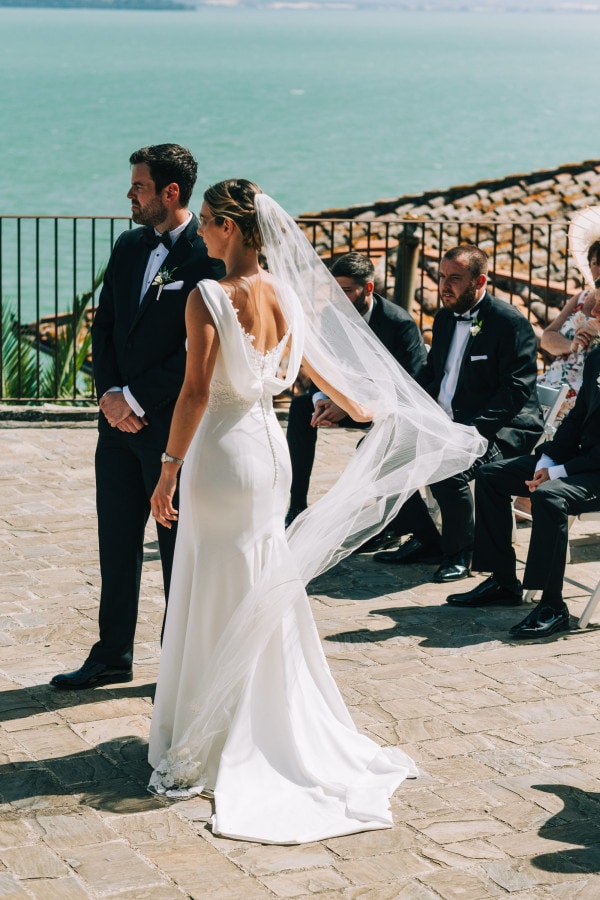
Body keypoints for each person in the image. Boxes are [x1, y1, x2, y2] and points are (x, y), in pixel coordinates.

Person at [146, 179, 486, 843]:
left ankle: (213, 734)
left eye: (211, 221)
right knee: (257, 580)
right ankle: (267, 718)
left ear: (233, 228)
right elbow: (341, 391)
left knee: (215, 581)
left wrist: (168, 470)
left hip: (220, 452)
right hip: (270, 453)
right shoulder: (290, 299)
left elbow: (193, 392)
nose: (204, 232)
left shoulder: (210, 296)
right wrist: (383, 411)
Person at [50, 144, 224, 691]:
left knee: (177, 551)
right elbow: (104, 326)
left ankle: (176, 663)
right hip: (115, 425)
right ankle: (111, 653)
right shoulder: (128, 245)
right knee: (117, 541)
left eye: (139, 186)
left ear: (171, 192)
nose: (130, 193)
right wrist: (108, 393)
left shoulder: (208, 255)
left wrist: (138, 398)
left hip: (170, 428)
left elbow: (198, 354)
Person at [374, 245, 544, 583]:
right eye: (441, 277)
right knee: (379, 448)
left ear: (479, 281)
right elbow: (434, 376)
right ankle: (425, 538)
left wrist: (472, 430)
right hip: (450, 421)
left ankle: (459, 554)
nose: (444, 285)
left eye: (454, 278)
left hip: (503, 427)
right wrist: (401, 408)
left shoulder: (509, 323)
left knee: (448, 467)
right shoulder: (444, 317)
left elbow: (516, 389)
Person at [446, 289, 600, 638]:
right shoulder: (598, 356)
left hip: (594, 473)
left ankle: (552, 605)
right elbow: (576, 419)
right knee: (491, 475)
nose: (592, 319)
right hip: (581, 463)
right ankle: (503, 581)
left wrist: (558, 473)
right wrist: (547, 459)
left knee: (550, 496)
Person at [285, 252, 427, 527]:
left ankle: (391, 521)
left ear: (368, 288)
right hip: (348, 402)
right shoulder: (331, 315)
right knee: (301, 407)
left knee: (375, 444)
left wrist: (349, 405)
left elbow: (410, 384)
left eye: (347, 291)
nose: (339, 299)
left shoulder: (400, 324)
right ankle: (297, 506)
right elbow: (324, 366)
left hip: (392, 409)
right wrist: (323, 398)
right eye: (335, 291)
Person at [537, 240, 600, 420]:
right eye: (594, 263)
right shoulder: (580, 298)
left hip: (585, 384)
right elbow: (547, 338)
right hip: (555, 374)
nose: (597, 269)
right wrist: (572, 345)